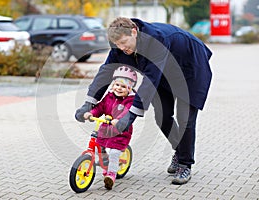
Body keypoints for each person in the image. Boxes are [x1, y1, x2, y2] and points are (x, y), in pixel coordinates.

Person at [75, 17, 212, 185]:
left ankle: (185, 164)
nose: (122, 48)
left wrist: (129, 116)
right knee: (162, 117)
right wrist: (89, 103)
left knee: (185, 120)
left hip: (190, 70)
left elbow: (149, 80)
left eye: (124, 43)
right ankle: (180, 150)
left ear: (134, 31)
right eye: (118, 45)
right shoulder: (120, 44)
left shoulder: (156, 40)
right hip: (164, 73)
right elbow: (106, 71)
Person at [83, 65, 137, 190]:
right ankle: (106, 165)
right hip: (105, 129)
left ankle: (111, 174)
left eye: (123, 86)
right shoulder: (109, 97)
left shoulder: (130, 101)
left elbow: (128, 112)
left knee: (113, 152)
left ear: (129, 89)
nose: (119, 88)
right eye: (117, 85)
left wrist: (119, 120)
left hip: (121, 132)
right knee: (99, 147)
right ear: (113, 85)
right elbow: (100, 107)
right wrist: (91, 113)